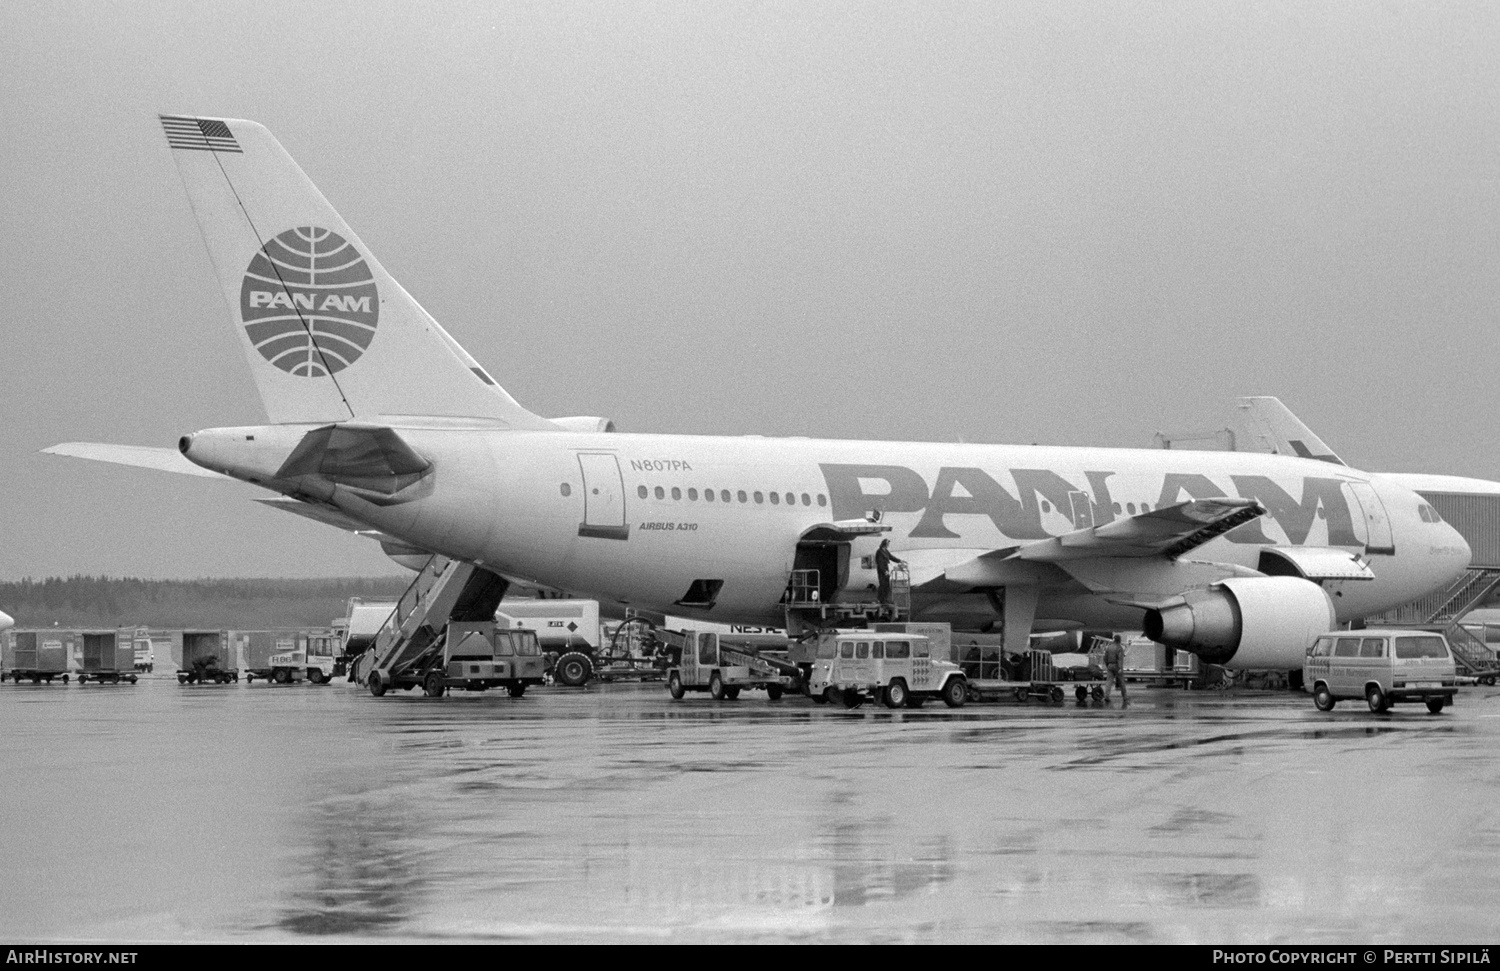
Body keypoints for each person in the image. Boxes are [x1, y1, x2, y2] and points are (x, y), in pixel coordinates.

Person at [874, 539, 904, 606]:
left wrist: (899, 561)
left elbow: (891, 557)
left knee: (887, 585)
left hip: (886, 569)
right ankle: (881, 599)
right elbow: (880, 563)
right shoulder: (879, 552)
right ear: (884, 544)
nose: (888, 545)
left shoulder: (886, 551)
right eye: (887, 544)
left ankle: (885, 599)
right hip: (882, 570)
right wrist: (885, 571)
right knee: (883, 584)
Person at [1102, 634, 1127, 706]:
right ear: (1119, 640)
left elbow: (1105, 658)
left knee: (1109, 682)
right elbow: (1120, 659)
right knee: (1121, 682)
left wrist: (1108, 665)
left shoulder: (1108, 647)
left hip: (1110, 665)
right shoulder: (1119, 648)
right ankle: (1125, 697)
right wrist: (1120, 668)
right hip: (1117, 666)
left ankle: (1106, 696)